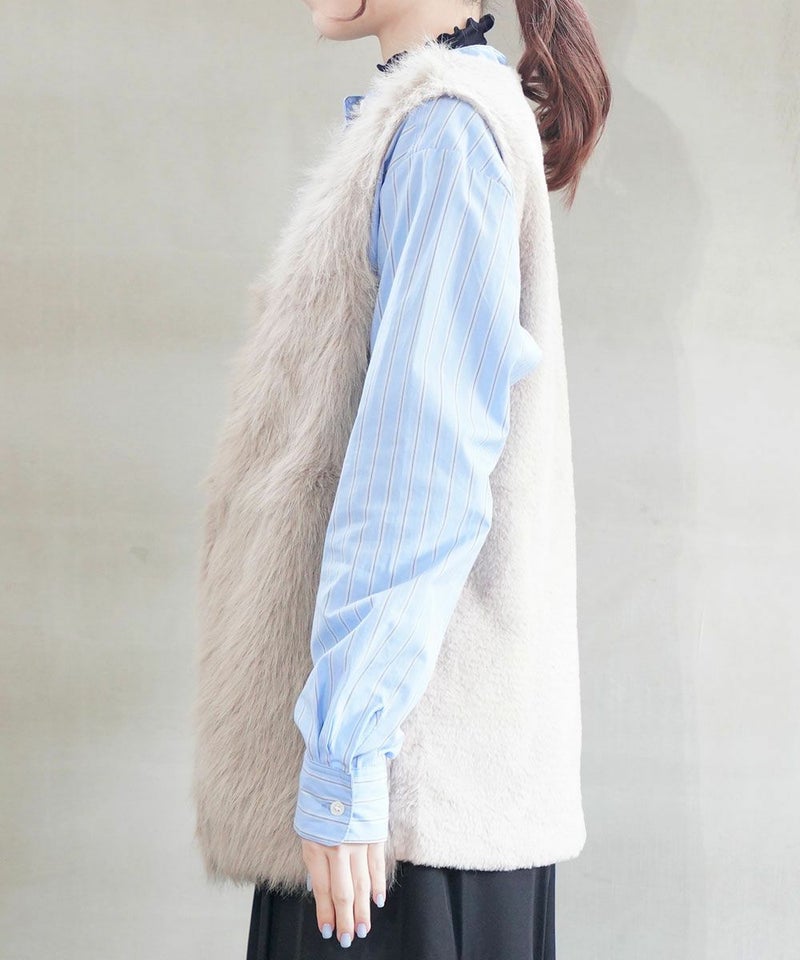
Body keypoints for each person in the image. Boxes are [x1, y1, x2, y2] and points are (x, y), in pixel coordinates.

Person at [190, 2, 611, 958]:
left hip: (399, 802)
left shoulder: (445, 133)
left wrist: (344, 757)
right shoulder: (444, 121)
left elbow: (422, 468)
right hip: (416, 791)